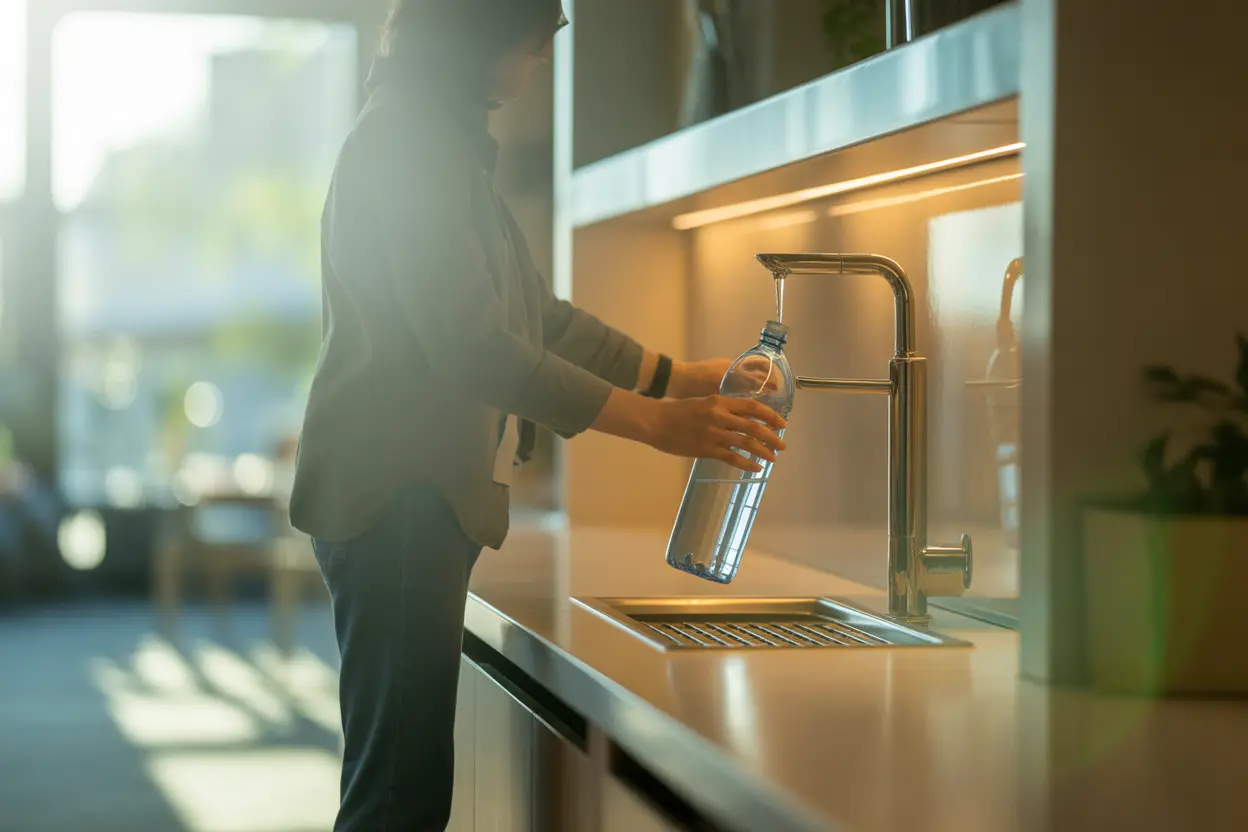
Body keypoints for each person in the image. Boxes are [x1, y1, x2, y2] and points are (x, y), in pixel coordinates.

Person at [288, 1, 787, 829]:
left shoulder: (436, 142)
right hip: (396, 501)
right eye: (534, 40)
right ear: (477, 34)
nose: (542, 61)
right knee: (397, 800)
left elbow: (538, 316)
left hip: (405, 499)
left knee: (398, 791)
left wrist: (676, 379)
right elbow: (473, 344)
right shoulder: (406, 143)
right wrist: (652, 424)